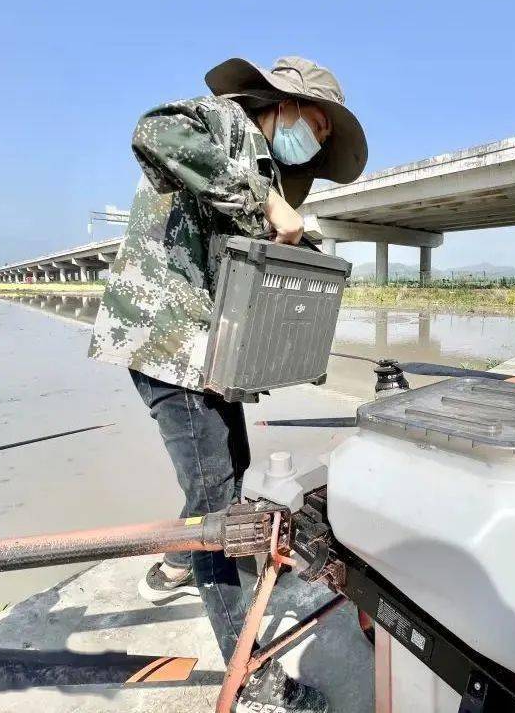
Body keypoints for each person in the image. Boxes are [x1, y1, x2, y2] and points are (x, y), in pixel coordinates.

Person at [88, 56, 367, 713]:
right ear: (280, 101)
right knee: (220, 511)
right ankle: (254, 683)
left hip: (209, 358)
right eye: (315, 125)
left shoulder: (264, 163)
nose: (316, 141)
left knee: (230, 477)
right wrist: (264, 199)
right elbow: (153, 131)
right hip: (169, 348)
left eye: (325, 139)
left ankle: (182, 562)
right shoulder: (224, 122)